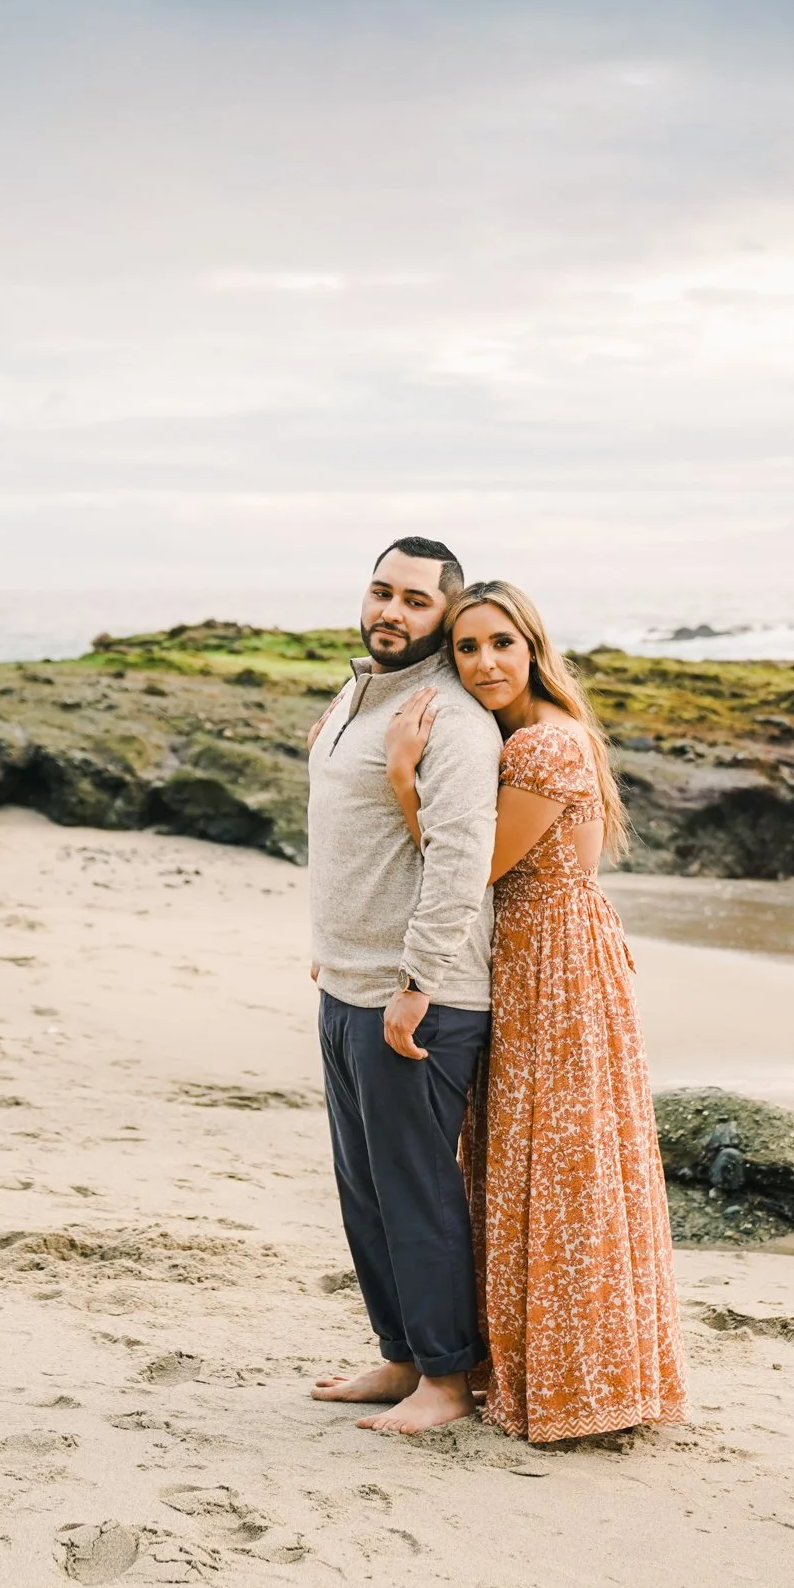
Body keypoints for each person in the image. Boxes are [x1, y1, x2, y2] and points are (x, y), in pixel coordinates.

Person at [384, 579, 689, 1443]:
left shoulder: (546, 744)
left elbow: (471, 864)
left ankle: (577, 1379)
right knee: (535, 1160)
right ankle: (539, 1361)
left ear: (533, 648)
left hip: (554, 965)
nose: (485, 663)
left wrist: (404, 777)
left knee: (560, 1165)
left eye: (501, 644)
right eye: (467, 647)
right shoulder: (520, 735)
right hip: (530, 956)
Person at [302, 537, 502, 1435]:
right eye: (382, 590)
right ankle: (400, 1356)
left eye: (416, 600)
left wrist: (418, 979)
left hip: (420, 996)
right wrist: (329, 945)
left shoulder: (452, 719)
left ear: (445, 614)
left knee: (416, 1190)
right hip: (347, 979)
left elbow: (460, 860)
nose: (391, 610)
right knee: (365, 1188)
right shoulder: (359, 693)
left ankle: (448, 1381)